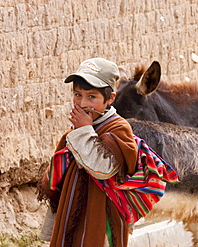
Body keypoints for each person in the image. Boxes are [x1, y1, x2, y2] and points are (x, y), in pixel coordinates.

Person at [37, 57, 179, 247]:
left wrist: (85, 133)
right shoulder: (79, 128)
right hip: (75, 210)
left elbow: (104, 169)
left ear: (110, 99)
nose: (83, 103)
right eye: (77, 95)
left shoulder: (118, 128)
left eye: (91, 97)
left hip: (102, 216)